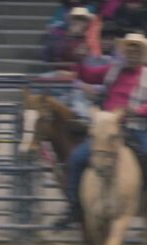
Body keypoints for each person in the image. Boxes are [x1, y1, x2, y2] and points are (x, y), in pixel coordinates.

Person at [57, 33, 147, 228]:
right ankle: (75, 205)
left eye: (136, 50)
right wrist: (80, 60)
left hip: (135, 126)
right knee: (77, 158)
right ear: (125, 52)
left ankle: (140, 202)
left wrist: (138, 111)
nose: (132, 53)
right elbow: (90, 74)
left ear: (142, 54)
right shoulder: (113, 69)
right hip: (106, 127)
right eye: (129, 49)